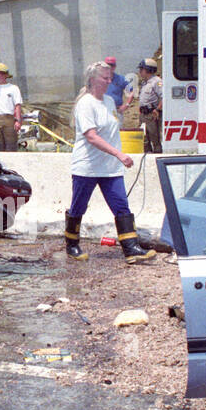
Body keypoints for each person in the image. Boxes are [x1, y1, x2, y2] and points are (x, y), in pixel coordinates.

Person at [64, 61, 156, 265]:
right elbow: (92, 137)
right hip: (87, 167)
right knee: (78, 207)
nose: (109, 81)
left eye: (110, 78)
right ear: (92, 80)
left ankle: (131, 249)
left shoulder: (108, 101)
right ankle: (71, 245)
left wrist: (116, 156)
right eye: (105, 78)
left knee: (121, 206)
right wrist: (119, 154)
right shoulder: (86, 104)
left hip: (110, 168)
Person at [138, 58, 164, 153]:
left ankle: (157, 155)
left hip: (152, 114)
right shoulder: (145, 83)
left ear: (148, 70)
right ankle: (147, 155)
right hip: (143, 114)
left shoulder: (157, 81)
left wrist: (157, 109)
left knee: (155, 138)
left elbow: (163, 97)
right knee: (144, 138)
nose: (140, 72)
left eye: (142, 69)